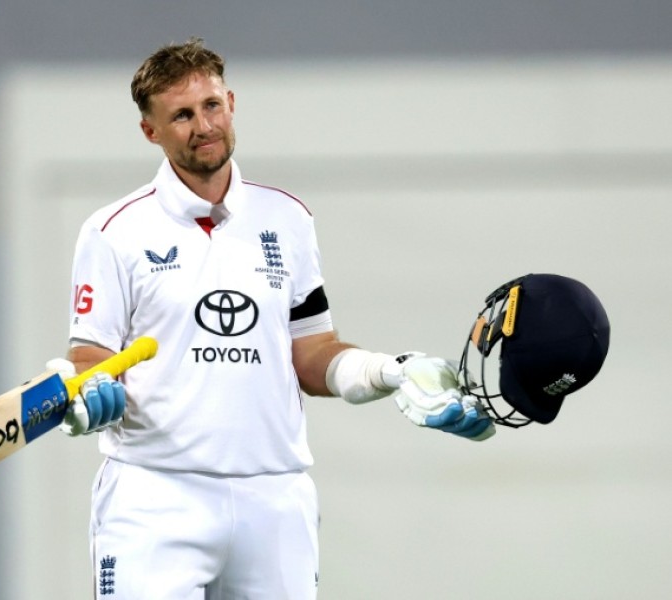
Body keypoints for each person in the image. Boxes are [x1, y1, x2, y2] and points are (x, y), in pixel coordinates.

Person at [45, 37, 494, 600]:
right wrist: (90, 394)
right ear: (151, 131)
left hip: (274, 498)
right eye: (181, 115)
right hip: (153, 496)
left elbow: (311, 354)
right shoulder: (112, 231)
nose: (203, 125)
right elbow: (91, 357)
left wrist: (394, 371)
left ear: (231, 103)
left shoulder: (287, 218)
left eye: (211, 105)